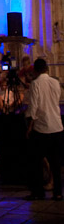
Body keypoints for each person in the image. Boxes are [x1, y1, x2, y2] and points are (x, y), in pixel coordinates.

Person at [25, 58, 63, 201]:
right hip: (57, 125)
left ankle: (38, 191)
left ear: (35, 70)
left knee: (36, 161)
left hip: (42, 127)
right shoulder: (55, 82)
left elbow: (33, 107)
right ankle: (58, 192)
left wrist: (30, 124)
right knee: (56, 162)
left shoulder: (35, 84)